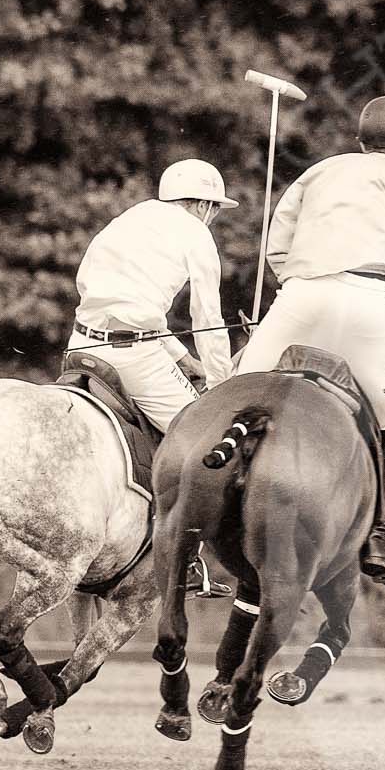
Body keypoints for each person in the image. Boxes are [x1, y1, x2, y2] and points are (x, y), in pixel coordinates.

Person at [234, 94, 385, 590]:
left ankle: (186, 506)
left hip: (302, 297)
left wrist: (296, 286)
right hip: (372, 307)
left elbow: (277, 245)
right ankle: (379, 535)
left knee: (228, 398)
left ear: (360, 142)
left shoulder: (318, 173)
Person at [69, 158, 237, 596]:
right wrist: (221, 385)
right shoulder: (196, 234)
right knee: (202, 445)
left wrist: (182, 358)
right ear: (202, 205)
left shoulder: (130, 218)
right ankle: (184, 558)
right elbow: (209, 321)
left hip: (80, 344)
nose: (213, 218)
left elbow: (119, 302)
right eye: (215, 209)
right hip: (135, 358)